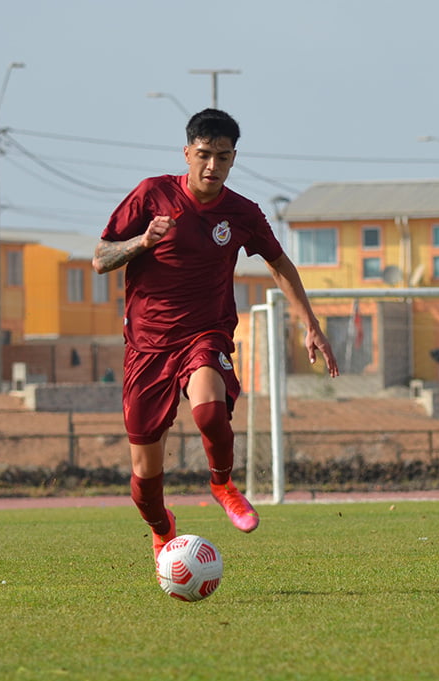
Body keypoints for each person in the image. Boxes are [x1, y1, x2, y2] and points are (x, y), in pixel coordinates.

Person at [92, 108, 340, 563]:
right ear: (187, 153)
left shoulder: (242, 213)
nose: (212, 166)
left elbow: (279, 264)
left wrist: (312, 324)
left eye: (222, 157)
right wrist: (143, 242)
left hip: (205, 334)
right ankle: (162, 528)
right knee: (144, 480)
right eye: (204, 154)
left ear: (233, 159)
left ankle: (222, 484)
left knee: (209, 410)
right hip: (147, 346)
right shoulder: (151, 194)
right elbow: (100, 258)